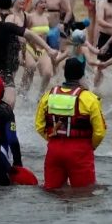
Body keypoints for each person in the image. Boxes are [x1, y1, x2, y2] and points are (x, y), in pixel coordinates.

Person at [35, 58, 106, 190]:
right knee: (84, 194)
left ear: (65, 74)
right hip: (80, 151)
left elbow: (39, 126)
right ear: (81, 75)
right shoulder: (90, 98)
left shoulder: (48, 95)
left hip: (54, 150)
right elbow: (100, 132)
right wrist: (91, 146)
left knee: (52, 191)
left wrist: (52, 138)